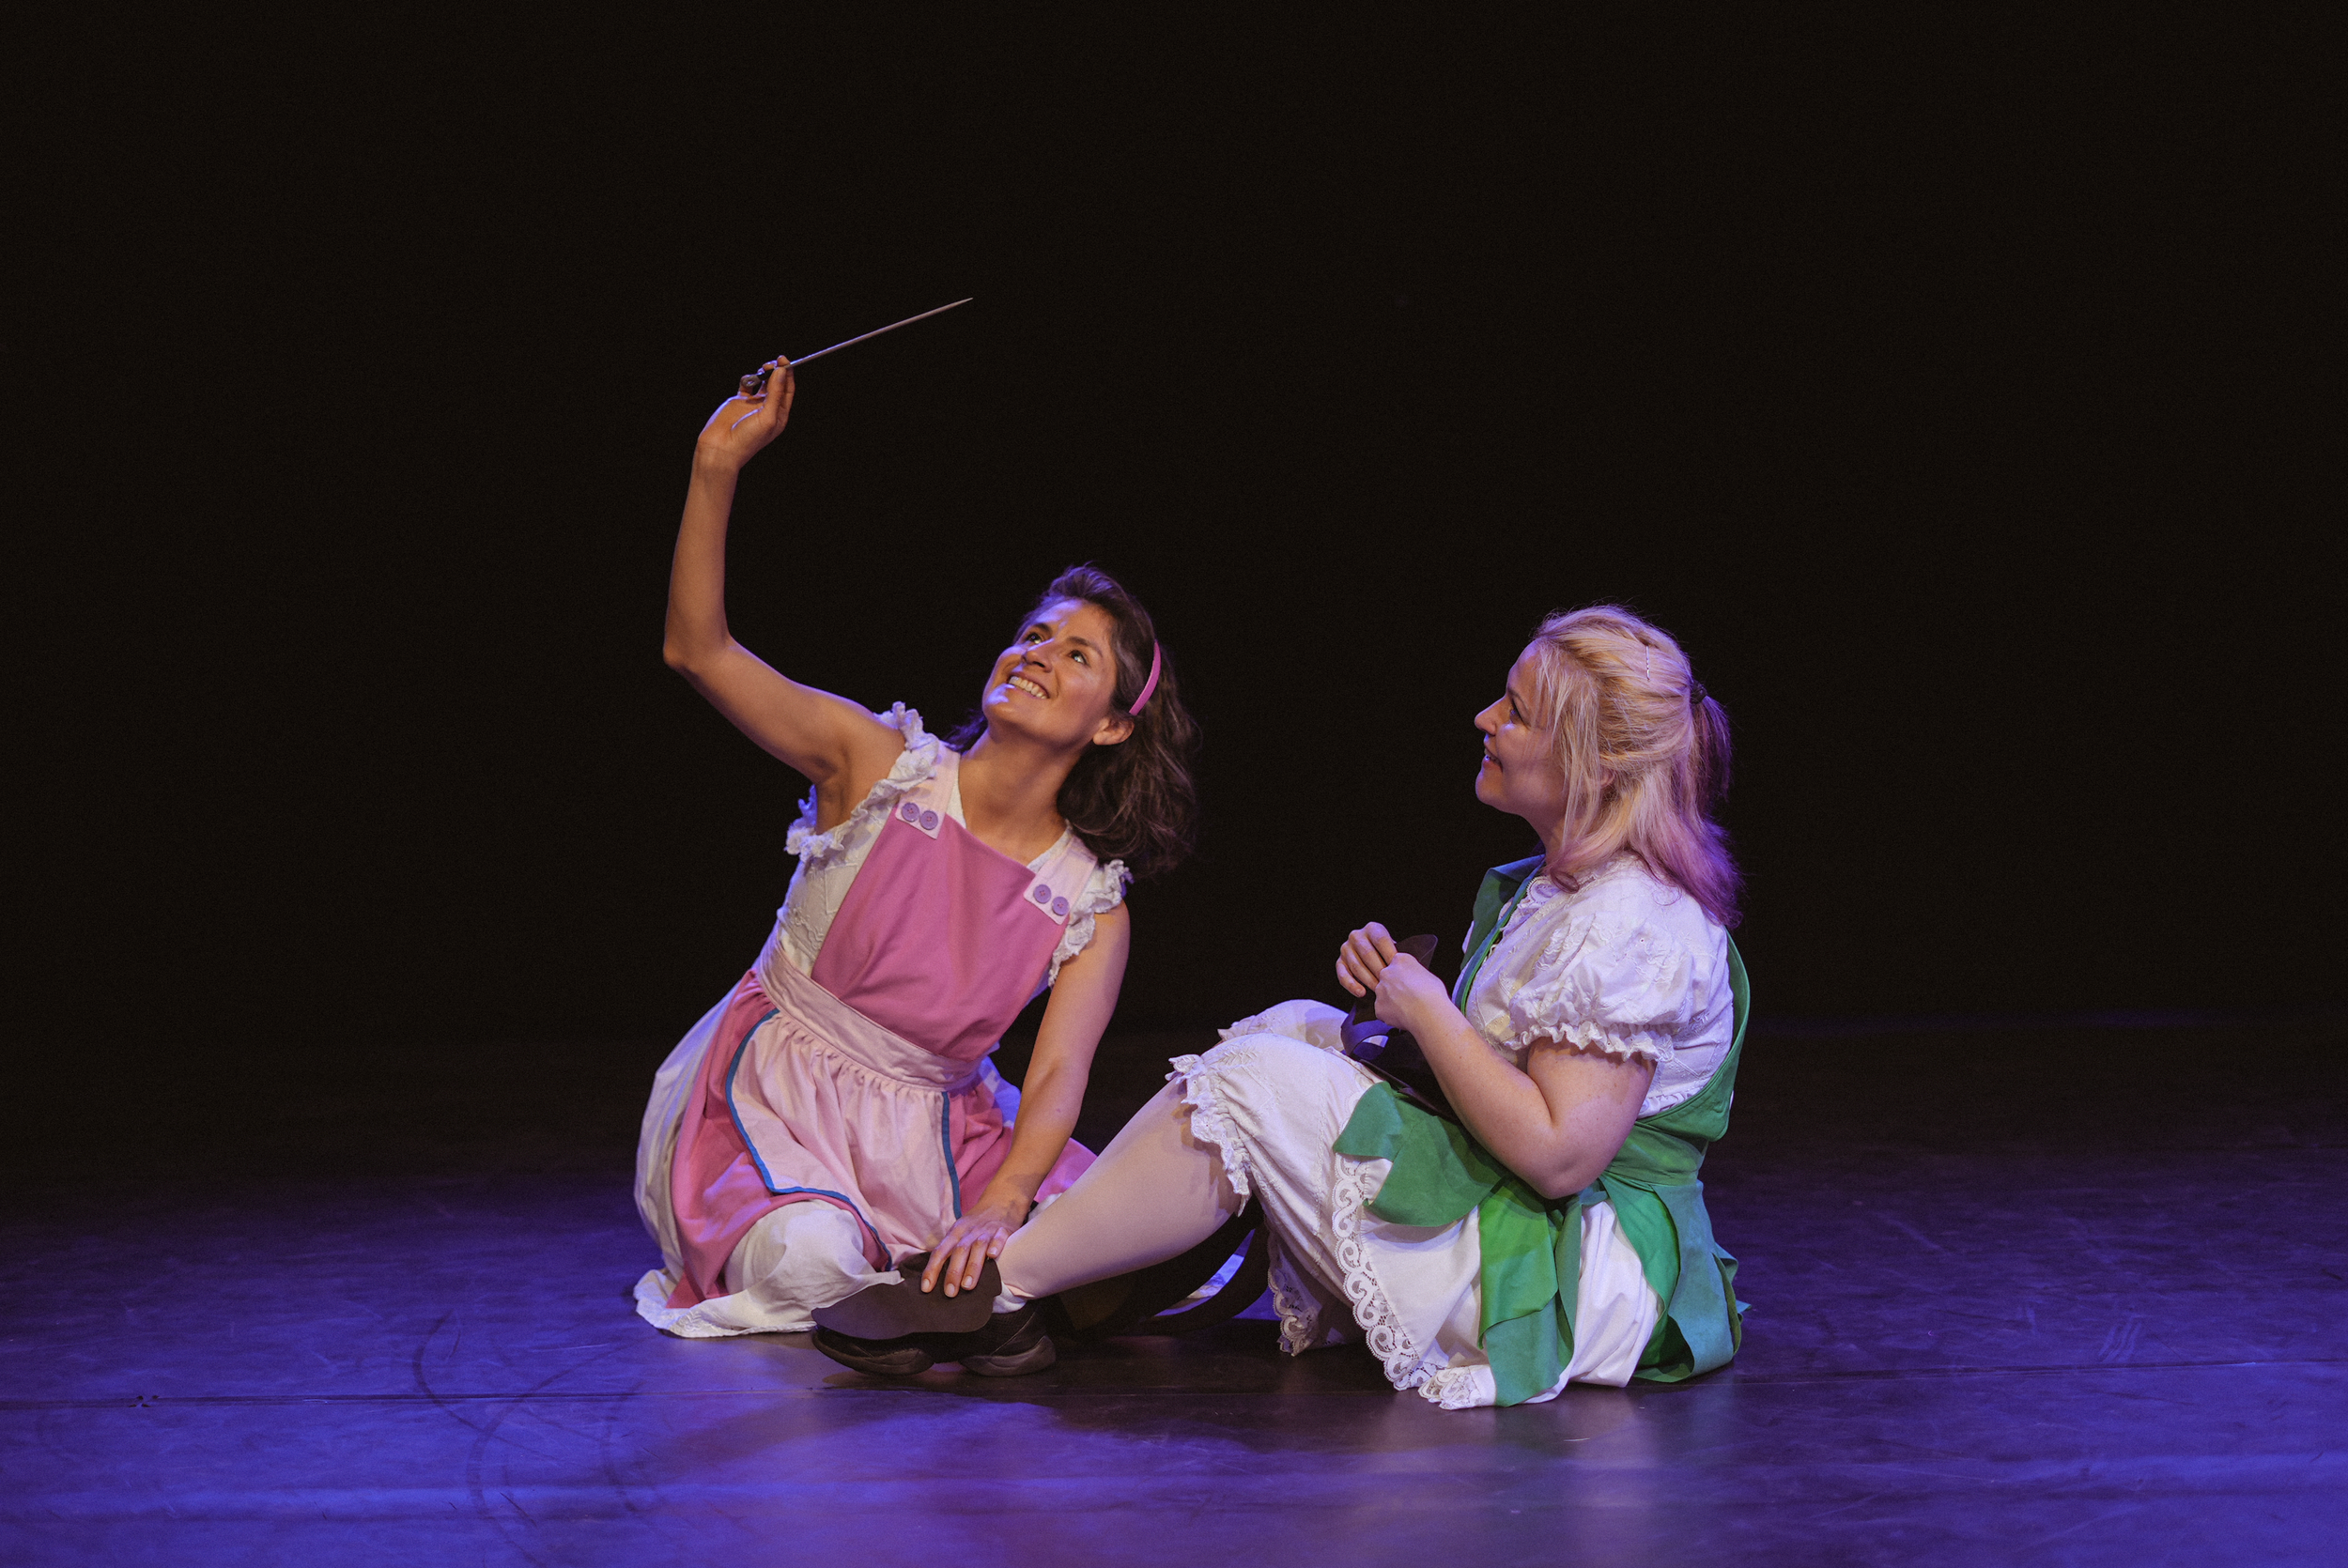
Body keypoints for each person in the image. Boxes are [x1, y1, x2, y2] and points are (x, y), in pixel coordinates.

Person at [811, 606, 1748, 1407]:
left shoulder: (1638, 922)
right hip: (1522, 1220)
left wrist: (1427, 1011)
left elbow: (1558, 1156)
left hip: (1568, 1278)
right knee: (1290, 1025)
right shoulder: (1559, 888)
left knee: (1261, 1080)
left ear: (1590, 764)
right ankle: (1065, 1276)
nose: (1484, 717)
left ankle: (1000, 1288)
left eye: (1518, 711)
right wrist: (1389, 1009)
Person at [629, 356, 1199, 1371]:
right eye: (1035, 632)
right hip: (771, 1101)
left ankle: (983, 1287)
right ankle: (950, 1298)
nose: (1036, 651)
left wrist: (999, 1201)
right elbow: (698, 650)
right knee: (814, 1256)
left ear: (1113, 724)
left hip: (942, 1126)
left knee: (1106, 1225)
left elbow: (1059, 1074)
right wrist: (715, 466)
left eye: (1076, 653)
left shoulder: (1085, 897)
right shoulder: (879, 767)